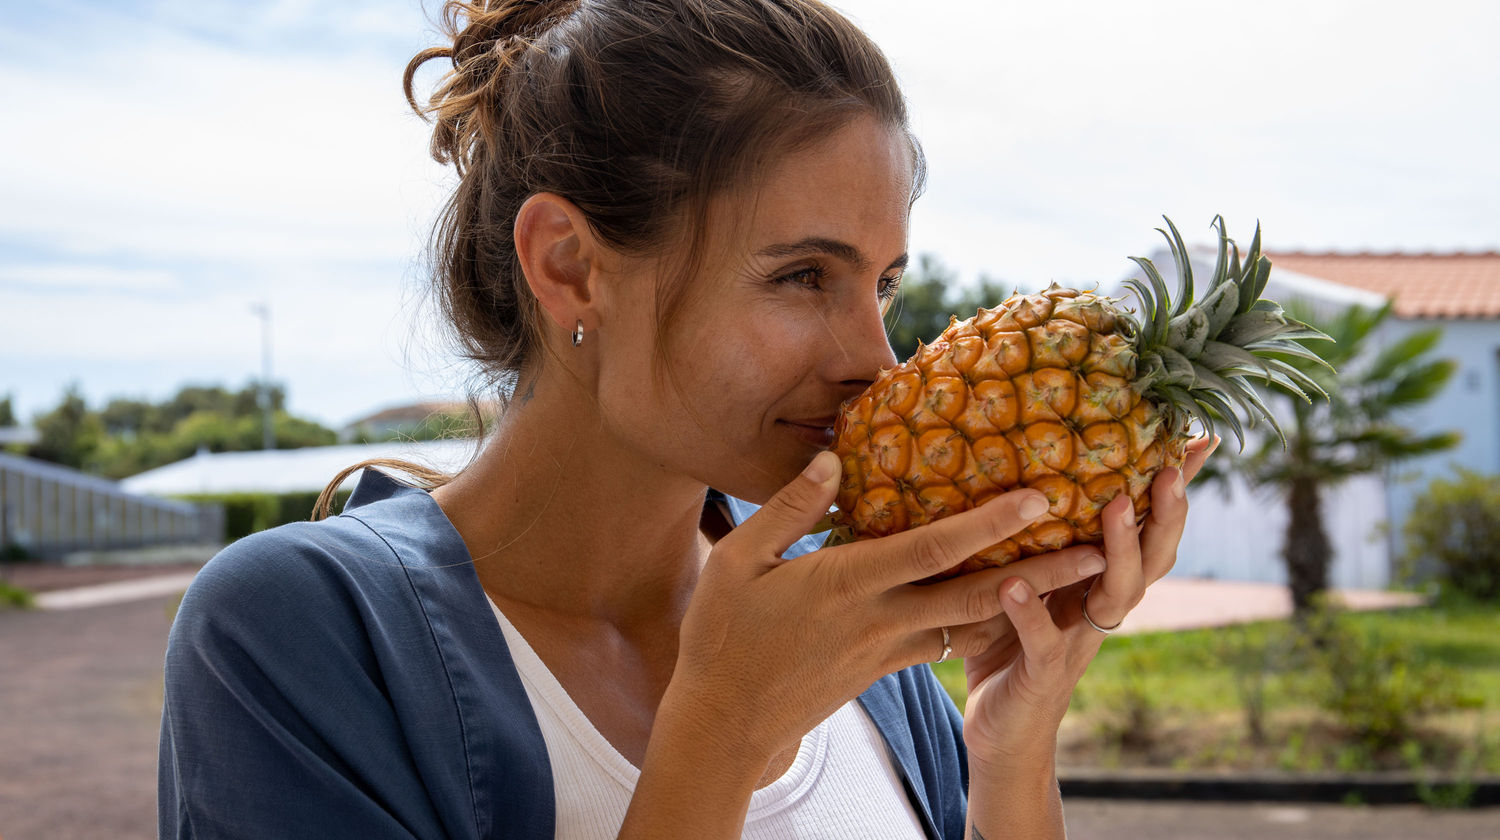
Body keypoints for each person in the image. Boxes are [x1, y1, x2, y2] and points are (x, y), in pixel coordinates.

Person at [158, 1, 1218, 837]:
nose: (876, 362)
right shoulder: (297, 635)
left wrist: (1009, 755)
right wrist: (722, 731)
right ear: (570, 267)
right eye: (804, 276)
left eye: (884, 287)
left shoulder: (844, 629)